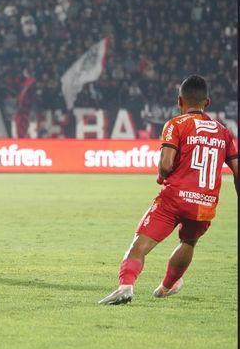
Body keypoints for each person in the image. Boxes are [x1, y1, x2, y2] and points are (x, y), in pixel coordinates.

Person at [99, 75, 238, 305]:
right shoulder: (224, 132)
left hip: (174, 199)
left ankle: (125, 286)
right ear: (208, 102)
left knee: (139, 245)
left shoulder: (176, 125)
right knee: (188, 242)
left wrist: (163, 175)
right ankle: (166, 286)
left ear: (179, 101)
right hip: (204, 203)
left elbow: (165, 165)